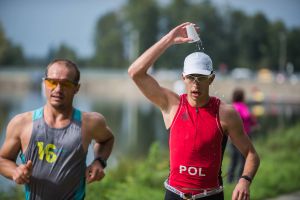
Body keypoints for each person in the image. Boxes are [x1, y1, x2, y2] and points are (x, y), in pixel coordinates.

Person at [128, 22, 260, 200]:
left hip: (210, 196)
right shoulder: (172, 105)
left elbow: (251, 154)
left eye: (201, 78)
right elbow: (135, 72)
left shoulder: (225, 113)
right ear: (183, 77)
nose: (195, 83)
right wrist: (169, 40)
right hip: (174, 195)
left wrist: (244, 180)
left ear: (211, 79)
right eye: (191, 77)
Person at [0, 59, 114, 200]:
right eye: (52, 82)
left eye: (65, 84)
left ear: (76, 88)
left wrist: (99, 161)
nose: (58, 89)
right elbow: (3, 160)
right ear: (44, 83)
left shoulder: (91, 122)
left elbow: (107, 139)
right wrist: (14, 171)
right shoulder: (21, 123)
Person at [227, 88, 258, 183]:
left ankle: (234, 180)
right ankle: (235, 179)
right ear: (241, 96)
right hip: (240, 136)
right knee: (240, 159)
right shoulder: (239, 107)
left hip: (237, 136)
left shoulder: (234, 107)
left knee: (237, 159)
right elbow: (247, 117)